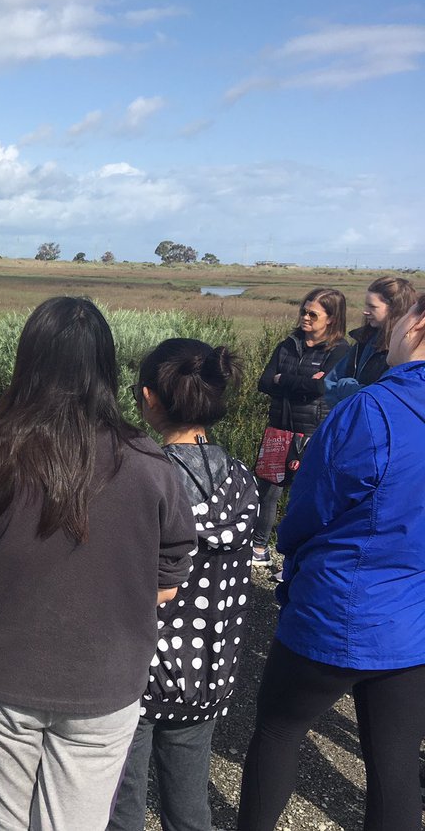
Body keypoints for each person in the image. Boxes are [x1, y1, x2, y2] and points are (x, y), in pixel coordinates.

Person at [0, 297, 195, 831]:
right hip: (106, 680)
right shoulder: (149, 463)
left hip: (0, 669)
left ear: (28, 360)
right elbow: (168, 583)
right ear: (106, 367)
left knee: (4, 821)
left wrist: (5, 590)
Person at [236, 292, 425, 831]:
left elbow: (309, 508)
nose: (389, 329)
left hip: (340, 606)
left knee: (277, 728)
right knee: (394, 762)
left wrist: (288, 553)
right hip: (412, 620)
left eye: (402, 316)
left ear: (419, 325)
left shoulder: (370, 410)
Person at [108, 338, 260, 831]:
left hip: (138, 669)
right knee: (190, 804)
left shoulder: (143, 475)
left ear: (149, 397)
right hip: (208, 671)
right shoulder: (242, 479)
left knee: (120, 803)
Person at [250, 288, 349, 565]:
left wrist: (285, 379)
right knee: (268, 490)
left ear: (331, 318)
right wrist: (299, 382)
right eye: (303, 312)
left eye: (313, 314)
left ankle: (296, 554)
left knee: (304, 496)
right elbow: (265, 382)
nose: (305, 318)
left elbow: (321, 387)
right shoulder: (288, 344)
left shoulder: (340, 351)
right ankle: (259, 549)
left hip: (312, 432)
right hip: (278, 428)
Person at [322, 275, 416, 406]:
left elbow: (385, 399)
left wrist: (347, 387)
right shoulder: (364, 341)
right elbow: (330, 384)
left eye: (372, 307)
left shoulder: (409, 350)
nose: (365, 312)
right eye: (366, 305)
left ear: (394, 308)